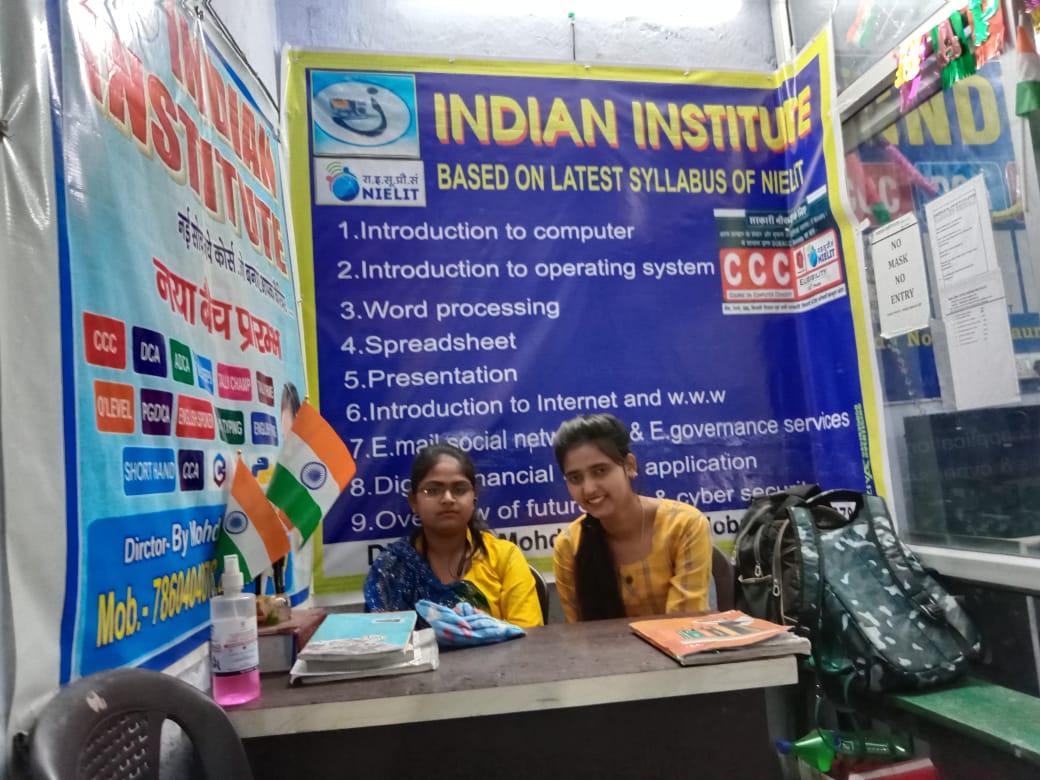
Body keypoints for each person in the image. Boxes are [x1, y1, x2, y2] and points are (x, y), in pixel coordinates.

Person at [551, 413, 712, 622]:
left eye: (600, 471)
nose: (588, 488)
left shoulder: (684, 525)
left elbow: (684, 626)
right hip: (604, 645)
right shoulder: (569, 546)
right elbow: (581, 633)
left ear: (629, 466)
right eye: (575, 478)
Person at [364, 444, 543, 628]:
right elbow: (383, 639)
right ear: (413, 501)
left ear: (474, 498)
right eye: (433, 490)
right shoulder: (393, 568)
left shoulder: (504, 558)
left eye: (459, 489)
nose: (448, 499)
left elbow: (529, 637)